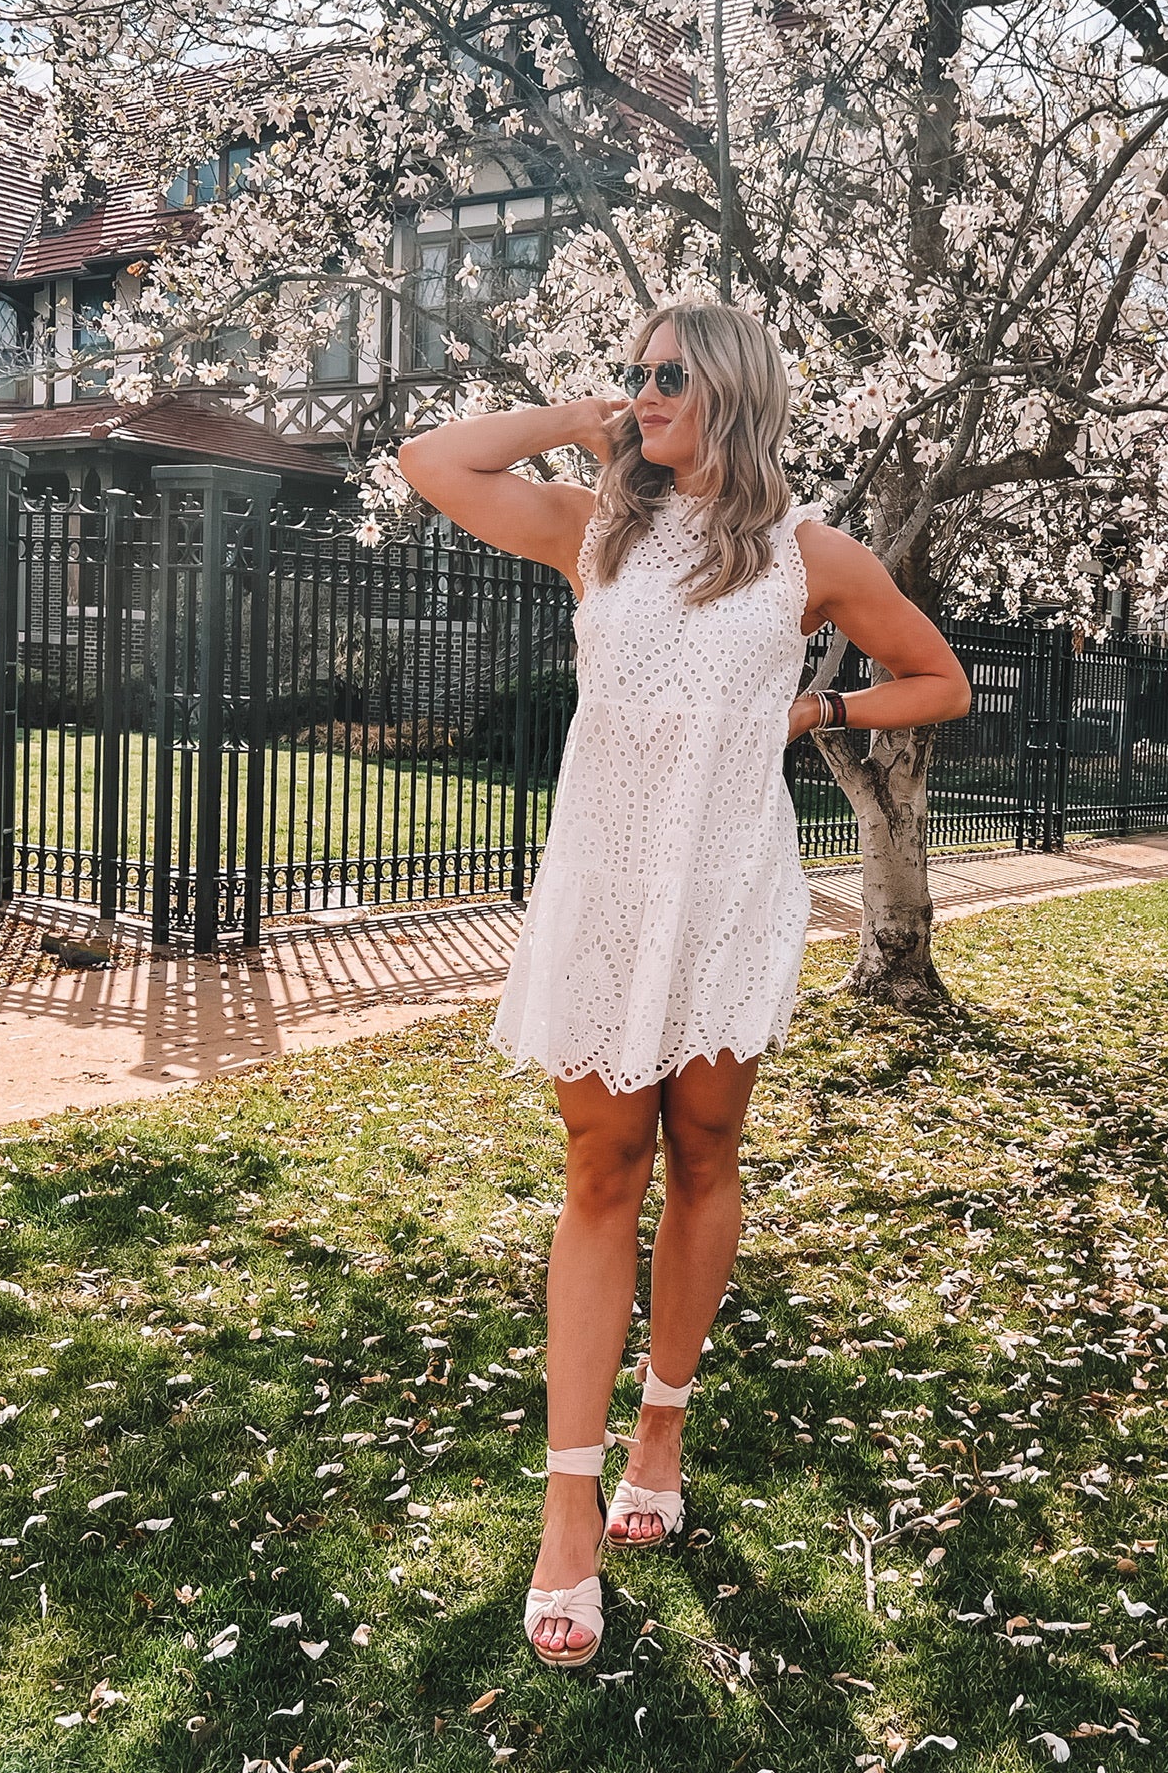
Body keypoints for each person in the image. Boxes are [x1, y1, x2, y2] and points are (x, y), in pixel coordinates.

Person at [396, 301, 971, 1668]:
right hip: (603, 895)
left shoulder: (809, 555)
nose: (645, 394)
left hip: (725, 898)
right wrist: (583, 420)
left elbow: (937, 680)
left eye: (668, 377)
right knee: (602, 1175)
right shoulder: (595, 532)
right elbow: (434, 462)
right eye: (636, 374)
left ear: (730, 391)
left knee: (706, 1152)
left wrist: (822, 709)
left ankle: (665, 1418)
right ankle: (569, 1502)